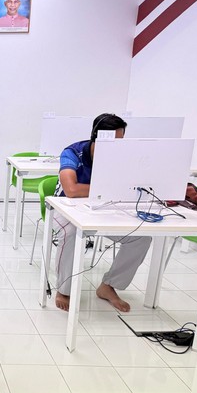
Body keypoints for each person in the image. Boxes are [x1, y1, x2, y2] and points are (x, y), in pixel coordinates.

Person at [53, 113, 152, 313]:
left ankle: (109, 285)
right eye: (112, 141)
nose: (117, 146)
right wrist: (109, 188)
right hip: (65, 208)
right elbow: (71, 190)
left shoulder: (122, 157)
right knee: (70, 233)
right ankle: (64, 289)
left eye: (121, 141)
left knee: (141, 237)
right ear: (96, 137)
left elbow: (132, 185)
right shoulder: (73, 153)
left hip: (103, 210)